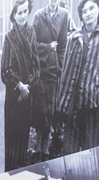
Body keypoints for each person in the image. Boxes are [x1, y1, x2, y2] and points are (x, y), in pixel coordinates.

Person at [56, 0, 99, 156]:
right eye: (84, 11)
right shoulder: (74, 37)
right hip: (72, 104)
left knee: (91, 150)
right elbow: (65, 72)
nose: (88, 14)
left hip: (92, 102)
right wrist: (61, 105)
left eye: (91, 9)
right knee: (70, 152)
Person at [1, 0, 40, 171]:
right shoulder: (9, 38)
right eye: (20, 13)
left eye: (25, 12)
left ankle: (22, 170)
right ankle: (10, 171)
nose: (23, 16)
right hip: (14, 95)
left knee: (24, 135)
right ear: (14, 15)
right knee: (13, 136)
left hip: (28, 94)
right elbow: (5, 70)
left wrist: (29, 85)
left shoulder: (32, 33)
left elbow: (36, 64)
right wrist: (19, 85)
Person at [32, 0, 72, 161]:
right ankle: (38, 147)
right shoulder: (39, 16)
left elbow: (63, 45)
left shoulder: (64, 15)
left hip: (55, 70)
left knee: (51, 108)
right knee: (41, 108)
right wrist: (48, 47)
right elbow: (33, 43)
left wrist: (61, 67)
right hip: (41, 68)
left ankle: (46, 148)